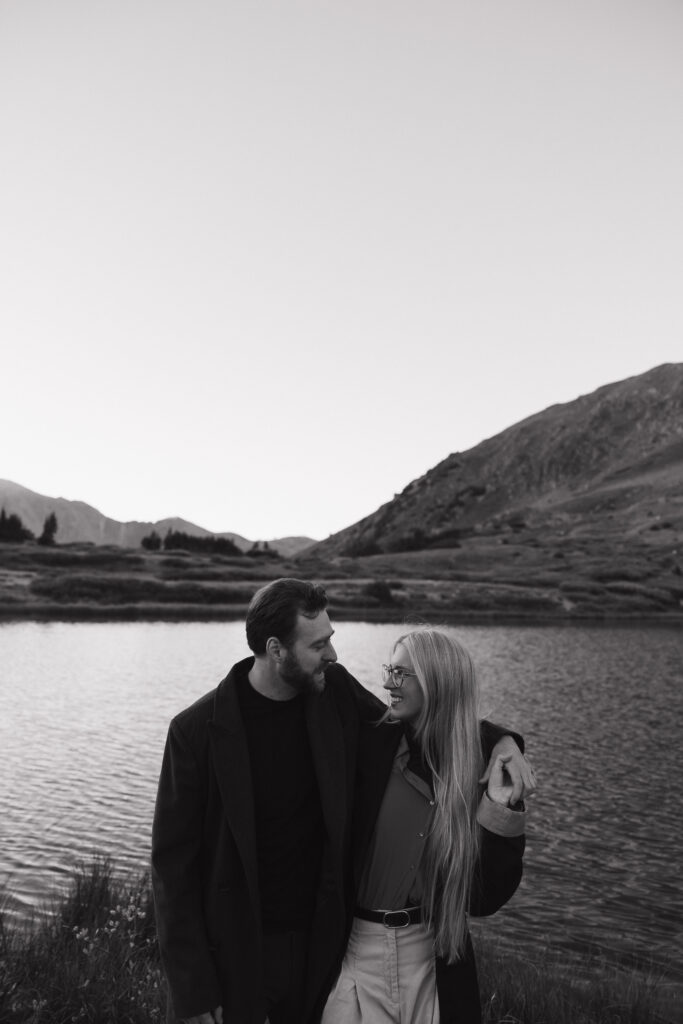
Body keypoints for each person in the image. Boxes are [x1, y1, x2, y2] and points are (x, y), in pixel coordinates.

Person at [151, 579, 534, 1024]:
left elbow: (422, 721)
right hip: (242, 949)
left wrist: (502, 741)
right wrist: (192, 987)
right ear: (277, 650)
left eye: (330, 639)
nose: (332, 655)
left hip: (326, 942)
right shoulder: (195, 731)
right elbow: (172, 869)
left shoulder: (333, 693)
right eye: (319, 645)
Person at [320, 627, 528, 1024]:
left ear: (438, 684)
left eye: (400, 674)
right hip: (355, 949)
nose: (386, 683)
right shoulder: (373, 740)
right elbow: (327, 674)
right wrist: (506, 738)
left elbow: (485, 899)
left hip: (435, 957)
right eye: (388, 670)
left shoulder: (478, 774)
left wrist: (501, 802)